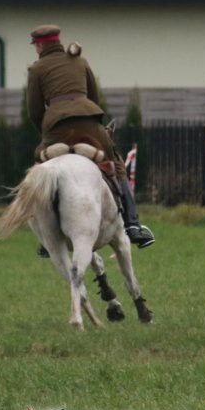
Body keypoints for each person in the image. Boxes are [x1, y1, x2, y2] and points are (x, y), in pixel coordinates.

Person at [26, 24, 154, 250]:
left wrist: (46, 133)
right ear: (57, 42)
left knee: (41, 166)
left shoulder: (37, 69)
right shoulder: (80, 61)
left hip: (56, 127)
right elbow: (94, 97)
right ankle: (133, 225)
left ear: (39, 45)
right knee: (115, 162)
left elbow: (35, 110)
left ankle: (46, 237)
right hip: (88, 120)